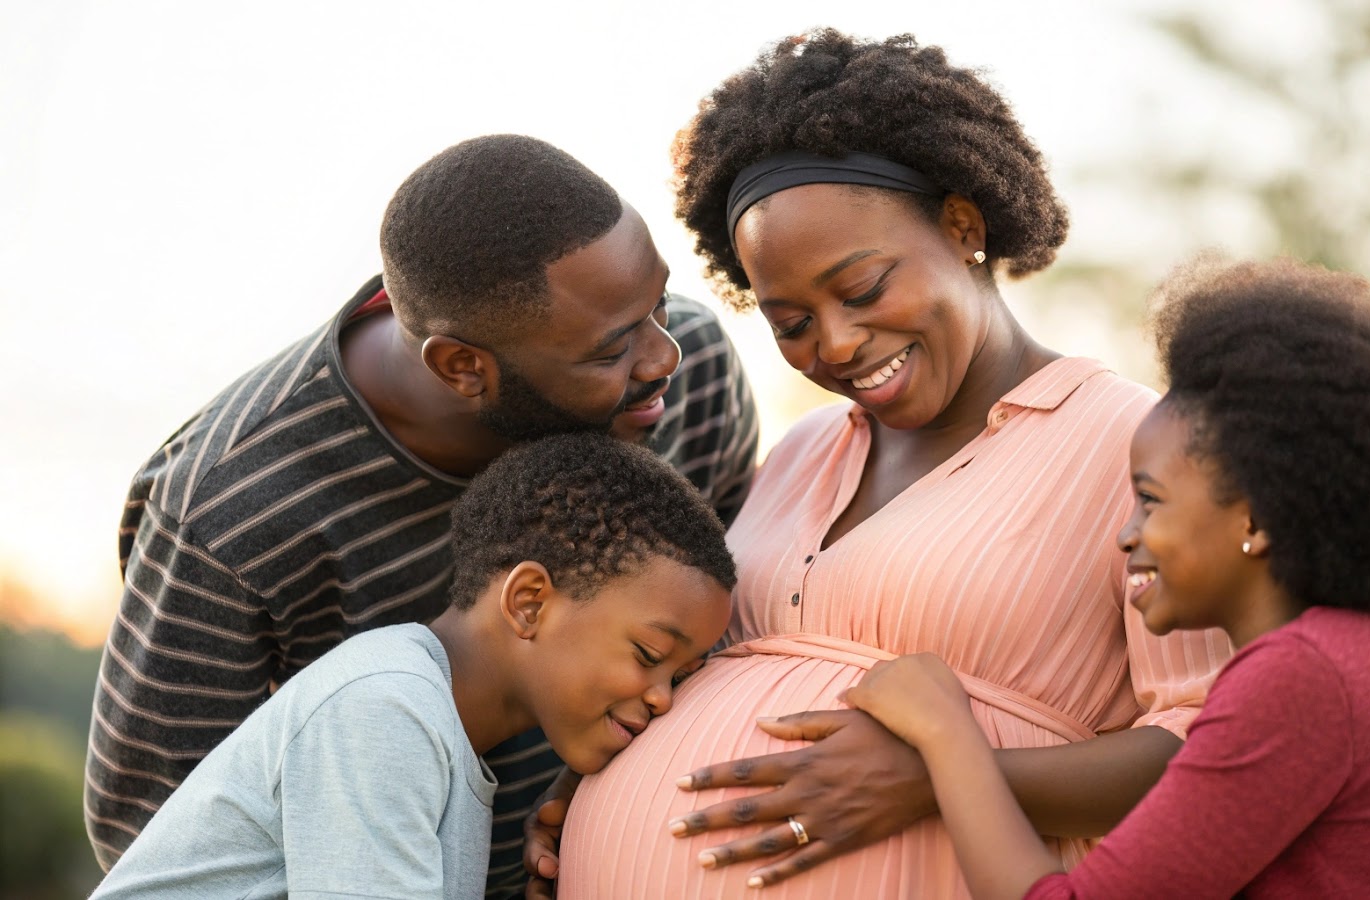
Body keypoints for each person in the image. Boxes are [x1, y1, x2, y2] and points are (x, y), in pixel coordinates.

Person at [549, 31, 1232, 898]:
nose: (834, 343)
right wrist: (602, 787)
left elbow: (1218, 746)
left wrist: (948, 773)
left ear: (962, 226)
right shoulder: (799, 453)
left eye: (864, 289)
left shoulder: (1134, 442)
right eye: (791, 323)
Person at [84, 134, 759, 896]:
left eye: (658, 304)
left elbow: (709, 642)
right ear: (462, 366)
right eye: (609, 352)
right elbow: (160, 827)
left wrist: (607, 793)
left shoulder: (689, 377)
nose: (663, 355)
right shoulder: (230, 512)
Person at [844, 258, 1370, 898]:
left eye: (1149, 500)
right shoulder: (1337, 656)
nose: (1126, 533)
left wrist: (944, 732)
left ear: (1258, 518)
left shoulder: (1310, 674)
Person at [90, 434, 737, 899]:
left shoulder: (439, 738)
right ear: (530, 602)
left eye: (680, 678)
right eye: (651, 656)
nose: (663, 700)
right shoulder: (387, 709)